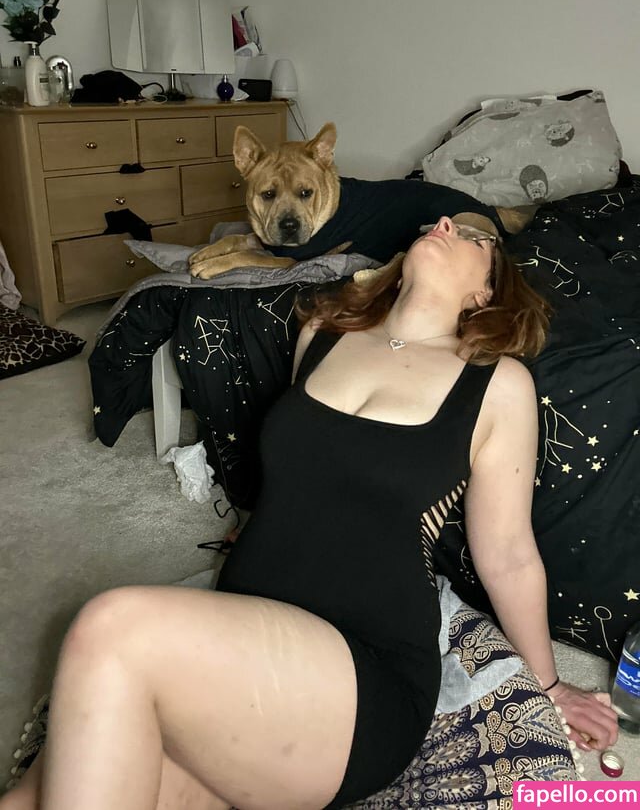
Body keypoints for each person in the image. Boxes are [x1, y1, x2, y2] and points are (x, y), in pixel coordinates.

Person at [1, 214, 618, 810]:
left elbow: (507, 554)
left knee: (110, 627)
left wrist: (549, 683)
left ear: (485, 291)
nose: (445, 226)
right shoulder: (322, 335)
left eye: (474, 236)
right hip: (243, 629)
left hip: (359, 673)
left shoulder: (496, 384)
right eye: (442, 222)